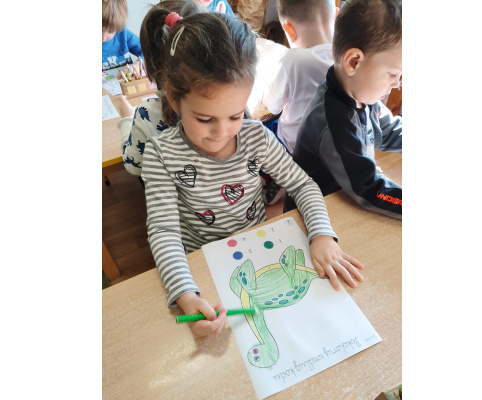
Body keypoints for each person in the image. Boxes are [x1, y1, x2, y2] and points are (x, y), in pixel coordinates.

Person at [141, 10, 365, 337]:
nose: (222, 133)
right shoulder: (160, 154)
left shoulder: (255, 137)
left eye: (235, 116)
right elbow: (164, 232)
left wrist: (321, 235)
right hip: (200, 268)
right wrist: (187, 296)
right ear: (174, 99)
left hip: (256, 255)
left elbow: (303, 185)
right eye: (205, 119)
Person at [289, 0, 402, 219]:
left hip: (347, 197)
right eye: (392, 74)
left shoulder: (362, 95)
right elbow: (368, 188)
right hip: (316, 216)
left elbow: (388, 131)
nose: (396, 84)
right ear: (353, 62)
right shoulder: (333, 123)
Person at [261, 0, 339, 205]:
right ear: (336, 16)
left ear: (289, 29)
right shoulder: (347, 56)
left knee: (260, 129)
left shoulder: (294, 59)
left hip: (295, 148)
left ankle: (275, 177)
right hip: (335, 148)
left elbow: (273, 105)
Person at [117, 0, 204, 177]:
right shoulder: (226, 99)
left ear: (150, 64)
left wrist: (127, 119)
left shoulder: (147, 114)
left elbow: (134, 166)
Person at [102, 0, 143, 71]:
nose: (103, 37)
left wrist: (138, 64)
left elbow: (146, 52)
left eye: (110, 31)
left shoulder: (123, 34)